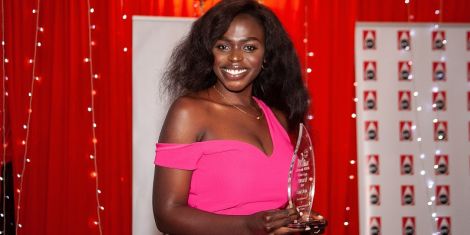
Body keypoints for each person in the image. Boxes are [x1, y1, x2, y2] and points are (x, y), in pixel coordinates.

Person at [153, 0, 325, 234]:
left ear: (266, 55)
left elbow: (269, 213)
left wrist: (296, 224)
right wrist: (247, 225)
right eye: (223, 46)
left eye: (249, 47)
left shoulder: (277, 118)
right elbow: (167, 214)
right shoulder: (190, 112)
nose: (235, 58)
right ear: (208, 52)